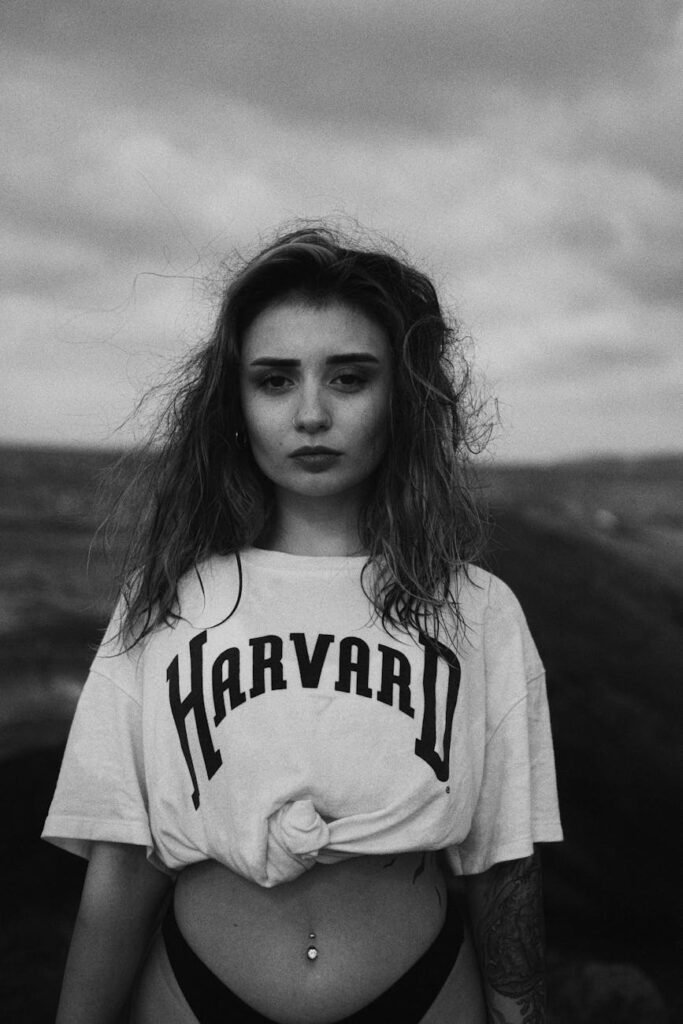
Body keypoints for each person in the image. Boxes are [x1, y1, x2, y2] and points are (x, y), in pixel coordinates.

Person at [43, 223, 563, 1024]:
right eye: (275, 380)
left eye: (349, 379)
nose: (311, 412)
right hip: (192, 993)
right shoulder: (170, 602)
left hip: (423, 993)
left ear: (402, 396)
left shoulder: (476, 608)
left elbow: (503, 867)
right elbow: (119, 869)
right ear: (236, 401)